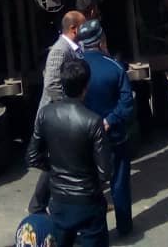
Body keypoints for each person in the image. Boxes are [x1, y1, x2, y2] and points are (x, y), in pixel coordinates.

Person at [26, 59, 113, 247]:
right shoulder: (93, 121)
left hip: (58, 202)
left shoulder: (45, 114)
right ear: (86, 85)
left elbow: (32, 156)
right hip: (88, 202)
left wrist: (55, 170)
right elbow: (105, 171)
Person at [79, 19, 134, 237]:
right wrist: (110, 120)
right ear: (101, 39)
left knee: (92, 185)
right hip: (115, 137)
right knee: (119, 183)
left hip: (86, 139)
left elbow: (70, 101)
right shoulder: (114, 67)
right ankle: (124, 227)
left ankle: (97, 229)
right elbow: (127, 102)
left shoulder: (76, 68)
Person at [30, 10, 86, 214]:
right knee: (55, 162)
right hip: (57, 116)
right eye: (84, 26)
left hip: (64, 114)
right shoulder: (59, 50)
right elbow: (52, 84)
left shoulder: (76, 47)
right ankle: (37, 205)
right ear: (73, 29)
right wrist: (71, 106)